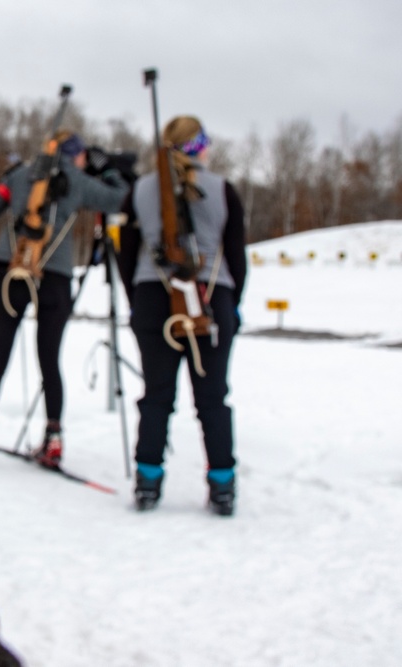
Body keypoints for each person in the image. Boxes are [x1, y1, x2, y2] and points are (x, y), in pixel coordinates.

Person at [0, 132, 130, 470]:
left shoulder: (22, 174)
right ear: (76, 156)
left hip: (12, 270)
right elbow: (117, 200)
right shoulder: (78, 179)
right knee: (50, 360)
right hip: (55, 275)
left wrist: (6, 182)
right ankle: (54, 439)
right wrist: (109, 170)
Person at [116, 116, 247, 516]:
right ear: (198, 146)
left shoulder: (138, 190)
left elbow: (125, 252)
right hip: (211, 299)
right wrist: (232, 304)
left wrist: (136, 298)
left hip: (153, 298)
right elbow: (237, 256)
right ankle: (222, 485)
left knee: (156, 396)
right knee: (212, 398)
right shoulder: (223, 190)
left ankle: (147, 482)